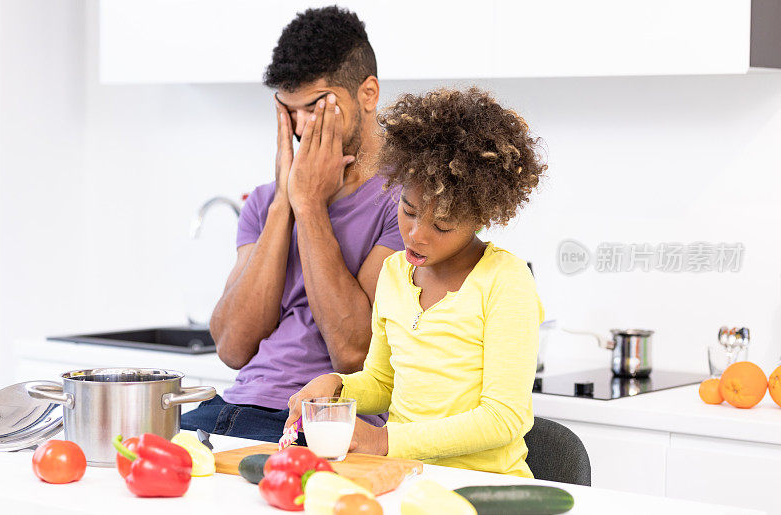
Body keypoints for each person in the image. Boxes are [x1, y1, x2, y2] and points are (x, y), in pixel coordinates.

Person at [286, 87, 547, 477]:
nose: (416, 235)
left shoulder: (505, 281)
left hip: (482, 486)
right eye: (408, 211)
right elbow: (382, 382)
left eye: (442, 225)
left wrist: (382, 440)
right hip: (404, 477)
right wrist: (337, 385)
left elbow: (503, 418)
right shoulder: (394, 273)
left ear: (480, 216)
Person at [181, 7, 403, 441]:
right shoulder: (265, 202)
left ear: (368, 93)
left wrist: (310, 206)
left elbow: (355, 353)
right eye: (289, 110)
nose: (301, 127)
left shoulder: (406, 206)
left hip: (318, 422)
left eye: (316, 107)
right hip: (228, 405)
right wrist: (285, 200)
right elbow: (231, 347)